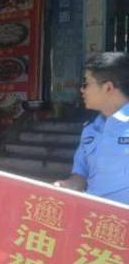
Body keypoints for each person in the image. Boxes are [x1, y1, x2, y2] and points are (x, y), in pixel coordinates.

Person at [54, 52, 129, 205]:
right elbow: (80, 177)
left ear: (108, 87)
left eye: (86, 84)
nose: (82, 90)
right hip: (94, 216)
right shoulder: (90, 130)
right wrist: (67, 185)